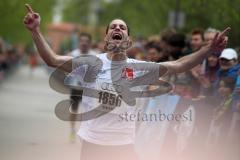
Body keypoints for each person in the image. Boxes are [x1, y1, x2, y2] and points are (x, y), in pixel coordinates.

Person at [23, 4, 230, 160]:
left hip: (124, 144)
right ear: (106, 38)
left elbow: (179, 65)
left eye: (122, 27)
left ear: (128, 40)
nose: (118, 28)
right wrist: (35, 31)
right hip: (93, 142)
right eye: (113, 26)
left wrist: (208, 50)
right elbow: (52, 59)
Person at [68, 32, 97, 142]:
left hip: (89, 89)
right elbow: (65, 70)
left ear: (90, 43)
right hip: (75, 87)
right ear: (79, 42)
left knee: (88, 112)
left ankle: (86, 132)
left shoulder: (95, 56)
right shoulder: (72, 54)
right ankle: (72, 131)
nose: (84, 43)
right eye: (82, 41)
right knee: (74, 110)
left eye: (86, 41)